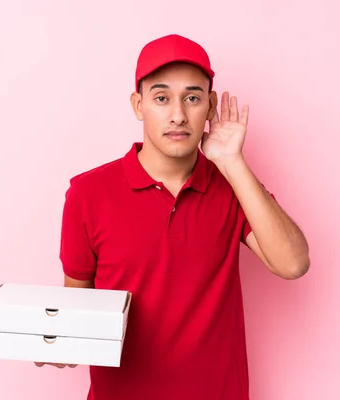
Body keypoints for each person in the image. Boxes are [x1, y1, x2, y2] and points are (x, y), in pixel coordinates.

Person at [36, 34, 310, 400]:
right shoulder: (88, 194)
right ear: (138, 104)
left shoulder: (233, 187)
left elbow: (293, 263)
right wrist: (62, 343)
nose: (178, 114)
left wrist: (232, 161)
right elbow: (78, 306)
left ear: (210, 107)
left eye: (192, 98)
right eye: (162, 98)